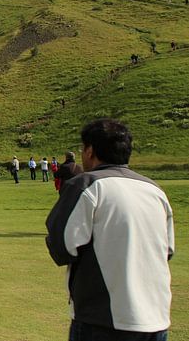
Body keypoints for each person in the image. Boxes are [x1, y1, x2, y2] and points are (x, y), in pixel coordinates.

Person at [46, 119, 174, 340]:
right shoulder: (155, 191)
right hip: (157, 317)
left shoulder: (87, 185)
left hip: (105, 319)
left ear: (90, 151)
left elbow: (63, 247)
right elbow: (167, 250)